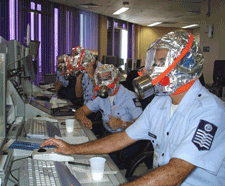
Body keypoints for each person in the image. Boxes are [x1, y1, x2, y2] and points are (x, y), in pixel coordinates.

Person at [40, 31, 225, 185]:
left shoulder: (210, 111)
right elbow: (121, 138)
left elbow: (176, 172)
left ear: (185, 67)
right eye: (155, 63)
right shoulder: (161, 103)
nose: (152, 70)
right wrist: (72, 149)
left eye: (161, 63)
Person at [75, 64, 143, 134]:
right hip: (108, 136)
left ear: (115, 78)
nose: (104, 82)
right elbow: (79, 111)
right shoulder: (102, 97)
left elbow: (142, 128)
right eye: (100, 79)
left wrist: (122, 124)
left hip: (127, 137)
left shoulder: (129, 96)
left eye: (107, 78)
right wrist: (84, 118)